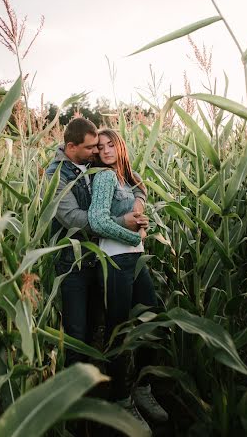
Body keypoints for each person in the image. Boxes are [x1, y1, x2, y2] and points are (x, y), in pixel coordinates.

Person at [45, 117, 148, 367]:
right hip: (75, 263)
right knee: (77, 333)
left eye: (100, 147)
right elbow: (72, 218)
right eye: (92, 147)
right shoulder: (56, 175)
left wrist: (138, 202)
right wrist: (123, 222)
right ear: (72, 147)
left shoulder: (93, 159)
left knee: (98, 328)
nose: (97, 151)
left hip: (102, 257)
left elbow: (131, 177)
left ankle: (97, 383)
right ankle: (75, 395)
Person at [88, 128, 168, 430]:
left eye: (111, 144)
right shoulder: (106, 178)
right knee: (119, 329)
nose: (107, 151)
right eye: (101, 147)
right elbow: (97, 220)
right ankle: (122, 399)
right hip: (114, 259)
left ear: (120, 146)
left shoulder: (126, 177)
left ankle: (143, 388)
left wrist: (138, 207)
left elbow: (140, 189)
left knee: (152, 320)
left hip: (135, 259)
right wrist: (134, 233)